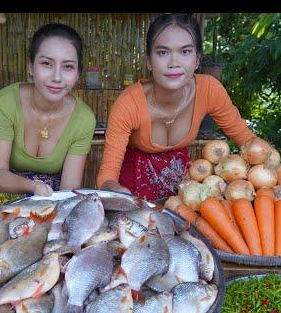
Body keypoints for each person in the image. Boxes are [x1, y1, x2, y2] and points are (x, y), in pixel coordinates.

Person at [96, 13, 257, 201]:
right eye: (163, 53)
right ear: (149, 61)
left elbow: (248, 143)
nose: (174, 63)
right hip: (132, 190)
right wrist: (114, 190)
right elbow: (107, 174)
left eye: (185, 52)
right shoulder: (128, 103)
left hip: (185, 193)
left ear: (197, 59)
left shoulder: (210, 90)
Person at [0, 23, 96, 197]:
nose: (57, 77)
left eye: (68, 66)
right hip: (7, 199)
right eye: (46, 63)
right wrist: (33, 187)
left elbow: (69, 188)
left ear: (78, 74)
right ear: (30, 66)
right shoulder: (5, 103)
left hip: (55, 199)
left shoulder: (84, 119)